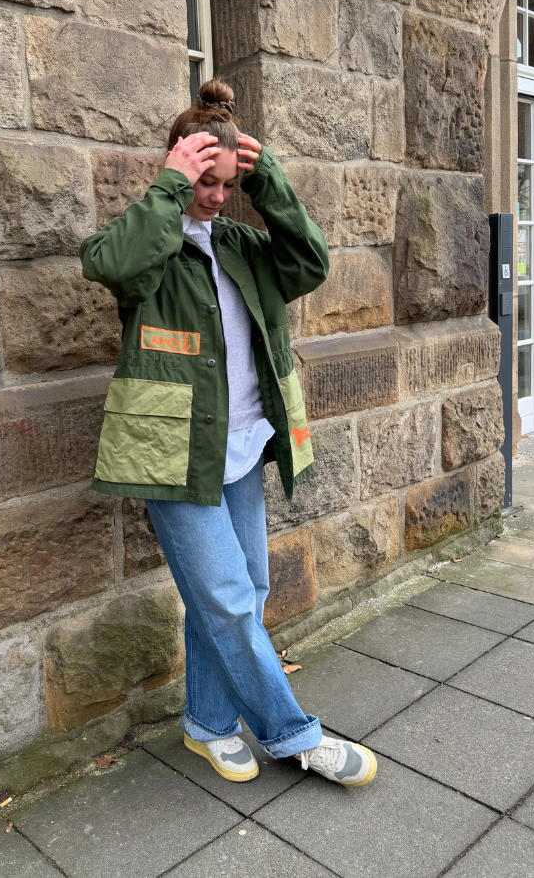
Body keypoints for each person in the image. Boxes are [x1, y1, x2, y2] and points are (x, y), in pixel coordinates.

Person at [79, 78, 377, 788]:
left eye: (225, 184)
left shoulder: (240, 244)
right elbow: (107, 263)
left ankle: (208, 724)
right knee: (228, 600)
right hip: (171, 454)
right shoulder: (151, 249)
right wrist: (168, 186)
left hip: (240, 446)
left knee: (243, 588)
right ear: (180, 170)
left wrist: (267, 178)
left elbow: (310, 262)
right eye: (203, 182)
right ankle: (293, 735)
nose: (215, 197)